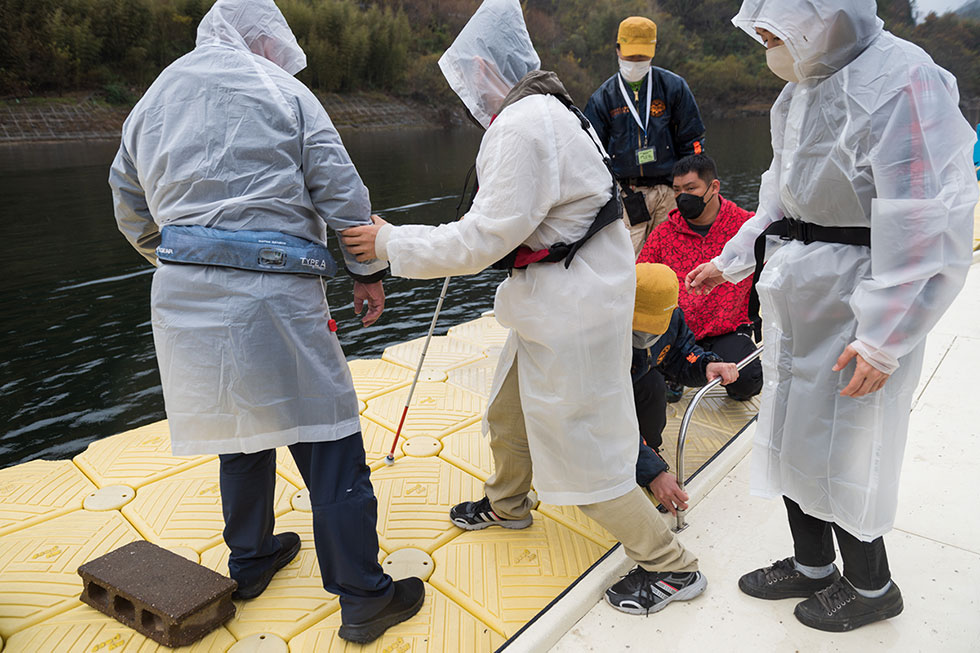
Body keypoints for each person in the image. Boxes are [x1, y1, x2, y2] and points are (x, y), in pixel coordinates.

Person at [343, 0, 706, 616]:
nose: (470, 95)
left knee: (586, 451)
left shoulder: (522, 126)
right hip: (556, 303)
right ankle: (509, 503)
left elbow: (481, 238)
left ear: (486, 69)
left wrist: (388, 242)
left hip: (573, 313)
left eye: (469, 81)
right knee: (508, 413)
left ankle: (671, 566)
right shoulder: (559, 113)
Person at [108, 0, 423, 644]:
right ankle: (364, 596)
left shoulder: (152, 100)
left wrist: (183, 262)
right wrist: (367, 274)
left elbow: (129, 205)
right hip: (275, 292)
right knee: (328, 434)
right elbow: (342, 191)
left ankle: (250, 562)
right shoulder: (283, 91)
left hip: (182, 297)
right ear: (262, 41)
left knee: (238, 426)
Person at [686, 0, 978, 632]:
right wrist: (732, 260)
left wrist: (884, 338)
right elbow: (779, 196)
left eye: (775, 33)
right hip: (799, 293)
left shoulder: (903, 79)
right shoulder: (800, 92)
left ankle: (872, 586)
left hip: (860, 297)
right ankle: (813, 564)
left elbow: (928, 220)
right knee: (794, 431)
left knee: (851, 444)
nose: (768, 46)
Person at [637, 153, 763, 404]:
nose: (682, 196)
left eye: (691, 188)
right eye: (677, 189)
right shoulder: (663, 233)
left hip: (725, 330)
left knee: (747, 382)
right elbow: (641, 277)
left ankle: (696, 368)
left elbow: (774, 266)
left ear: (714, 187)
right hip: (678, 335)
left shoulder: (746, 227)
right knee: (659, 388)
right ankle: (675, 370)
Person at [584, 16, 707, 258]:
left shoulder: (673, 87)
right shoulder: (603, 97)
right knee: (629, 266)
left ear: (653, 51)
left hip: (670, 191)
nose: (635, 62)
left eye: (642, 56)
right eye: (630, 56)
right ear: (618, 50)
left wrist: (691, 188)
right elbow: (591, 153)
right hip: (627, 194)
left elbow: (692, 140)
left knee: (674, 261)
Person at [631, 263, 739, 513]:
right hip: (588, 407)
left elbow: (683, 352)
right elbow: (604, 417)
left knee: (653, 384)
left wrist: (706, 365)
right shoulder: (598, 334)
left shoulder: (673, 319)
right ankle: (641, 466)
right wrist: (653, 473)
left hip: (636, 381)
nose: (645, 334)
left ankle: (649, 451)